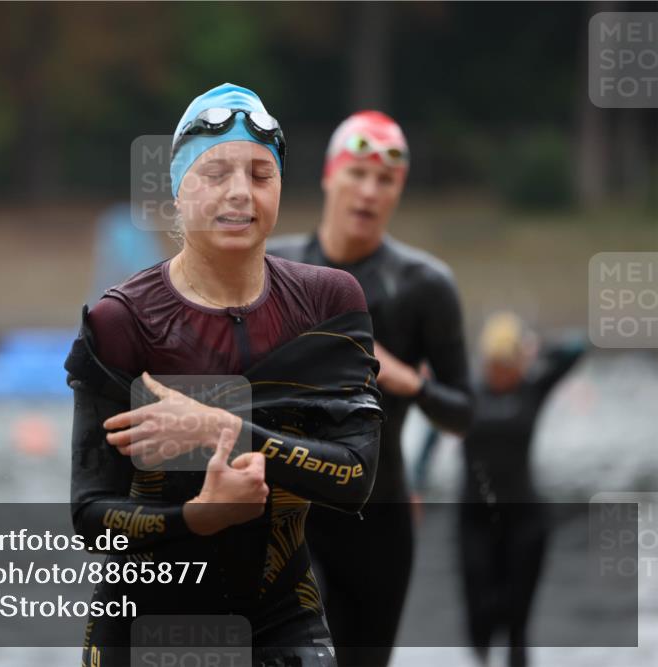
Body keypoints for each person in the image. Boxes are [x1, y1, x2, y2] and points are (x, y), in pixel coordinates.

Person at [65, 84, 385, 667]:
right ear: (177, 190)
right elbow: (91, 517)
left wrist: (221, 425)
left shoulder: (328, 303)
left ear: (281, 188)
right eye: (216, 173)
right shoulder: (123, 320)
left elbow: (355, 476)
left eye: (261, 174)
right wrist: (198, 516)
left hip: (283, 617)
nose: (240, 192)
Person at [268, 111, 473, 667]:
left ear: (399, 190)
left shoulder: (424, 285)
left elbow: (465, 413)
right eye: (357, 173)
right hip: (287, 512)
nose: (368, 191)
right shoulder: (274, 267)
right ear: (329, 176)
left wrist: (407, 380)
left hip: (378, 517)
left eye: (385, 181)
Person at [455, 312, 586, 667]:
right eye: (492, 364)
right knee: (480, 620)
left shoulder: (533, 387)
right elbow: (426, 443)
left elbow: (577, 345)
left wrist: (535, 347)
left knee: (517, 626)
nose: (499, 372)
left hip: (525, 520)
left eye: (506, 364)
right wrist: (417, 486)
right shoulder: (466, 391)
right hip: (476, 519)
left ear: (518, 362)